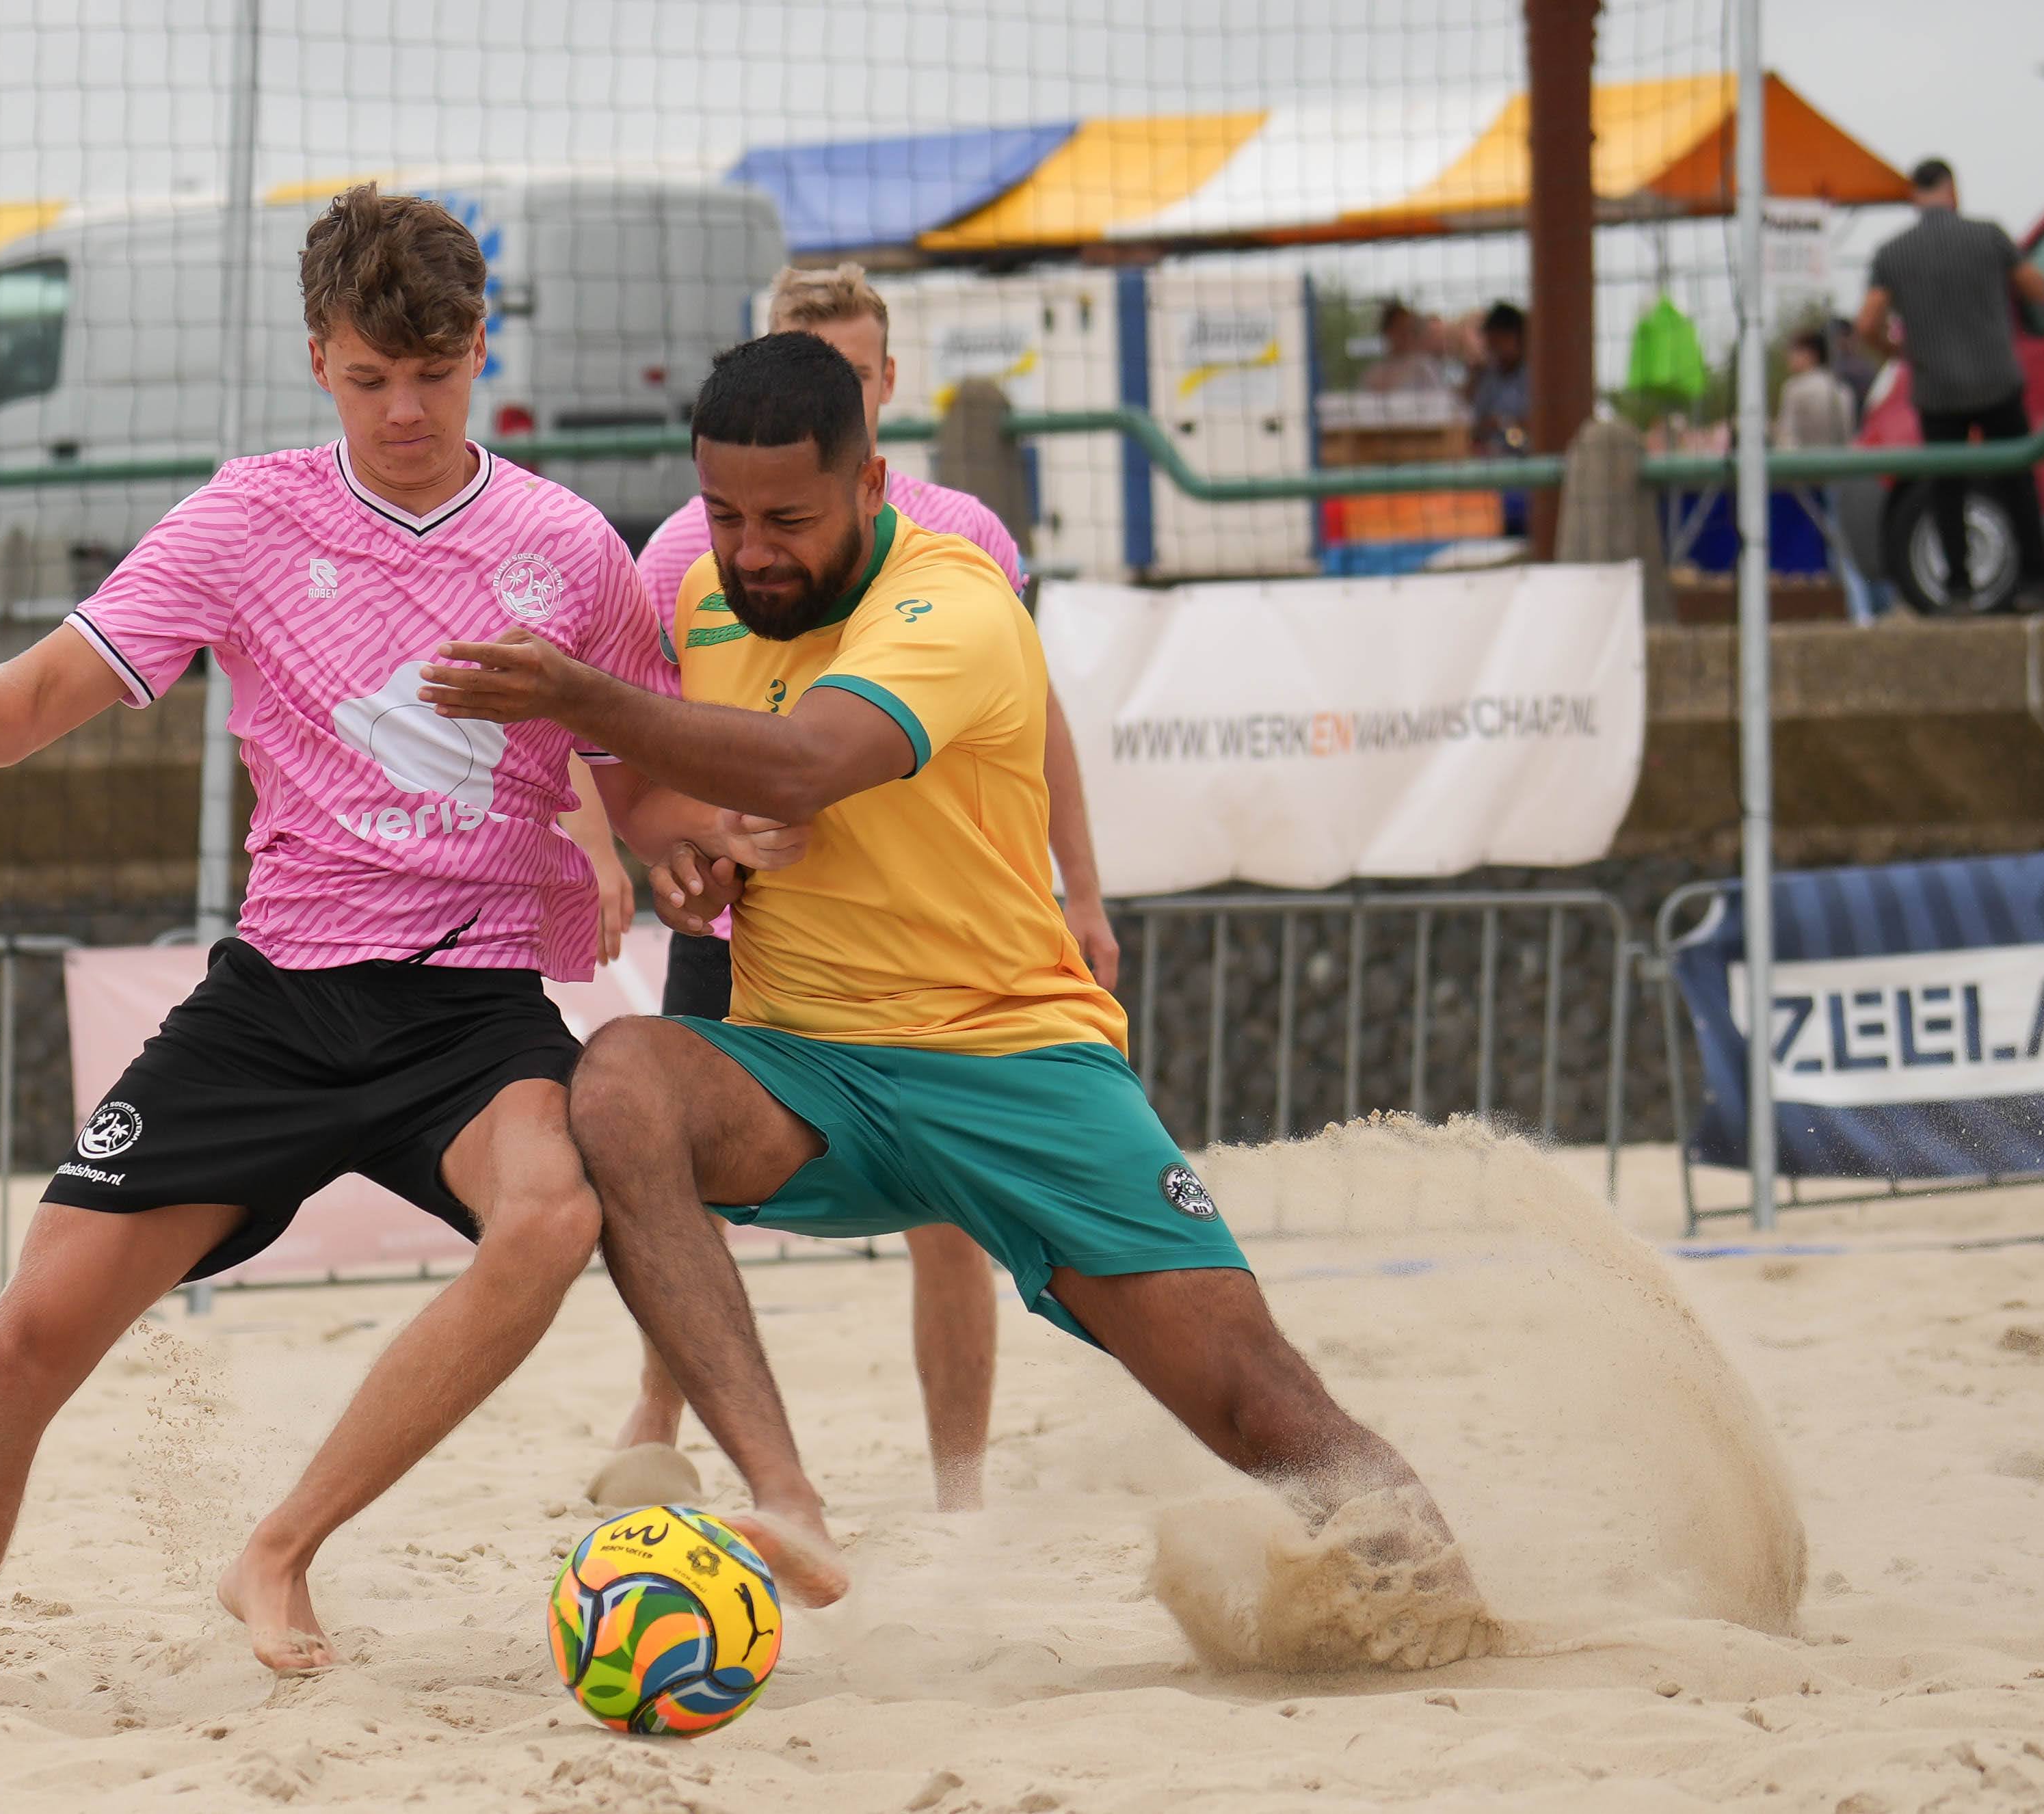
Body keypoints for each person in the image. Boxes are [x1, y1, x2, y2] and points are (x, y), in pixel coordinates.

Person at [417, 334, 1489, 1666]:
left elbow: (803, 760)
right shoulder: (699, 599)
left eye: (787, 520)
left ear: (868, 485)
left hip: (1014, 1067)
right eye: (724, 514)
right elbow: (715, 787)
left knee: (1254, 1403)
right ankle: (786, 1499)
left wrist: (587, 702)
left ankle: (1451, 1615)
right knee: (623, 1075)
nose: (749, 552)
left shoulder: (955, 598)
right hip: (812, 1076)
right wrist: (693, 845)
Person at [0, 186, 765, 1685]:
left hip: (470, 1010)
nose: (403, 410)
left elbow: (643, 789)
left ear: (480, 346)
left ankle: (276, 1547)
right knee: (18, 1346)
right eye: (368, 378)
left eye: (433, 373)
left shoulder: (566, 548)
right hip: (276, 1001)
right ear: (315, 360)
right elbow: (19, 714)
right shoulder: (245, 516)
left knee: (552, 1213)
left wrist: (696, 847)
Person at [620, 263, 1122, 1515]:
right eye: (802, 358)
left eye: (848, 370)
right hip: (754, 915)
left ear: (883, 385)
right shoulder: (688, 548)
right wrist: (688, 844)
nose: (825, 383)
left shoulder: (961, 537)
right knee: (664, 1159)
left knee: (947, 1212)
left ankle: (958, 1484)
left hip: (929, 938)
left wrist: (1082, 887)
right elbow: (648, 760)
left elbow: (1035, 712)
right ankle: (659, 1415)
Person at [1857, 157, 2044, 609]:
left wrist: (1897, 352)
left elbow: (1867, 322)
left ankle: (1959, 587)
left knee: (1946, 486)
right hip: (1998, 381)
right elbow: (2036, 289)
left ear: (1914, 198)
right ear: (1953, 191)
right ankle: (2036, 580)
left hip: (1936, 389)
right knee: (2018, 477)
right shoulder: (1989, 236)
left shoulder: (1893, 253)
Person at [1777, 327, 1876, 624]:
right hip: (1841, 473)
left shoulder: (1795, 389)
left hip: (1812, 477)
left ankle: (1858, 609)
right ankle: (1862, 608)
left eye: (1795, 352)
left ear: (1810, 354)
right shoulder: (1840, 389)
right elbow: (1850, 436)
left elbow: (1787, 441)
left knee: (1837, 546)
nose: (1789, 358)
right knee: (1845, 543)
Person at [1462, 302, 1529, 457]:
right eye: (1490, 343)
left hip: (1524, 460)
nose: (1492, 349)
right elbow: (1475, 425)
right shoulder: (1488, 377)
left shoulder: (1534, 377)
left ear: (1515, 338)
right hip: (1488, 462)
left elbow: (1529, 431)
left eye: (1497, 342)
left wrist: (1503, 424)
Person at [1359, 299, 1449, 395]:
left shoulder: (1424, 368)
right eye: (1398, 329)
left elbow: (1439, 399)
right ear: (1387, 331)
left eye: (1407, 329)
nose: (1404, 335)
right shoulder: (1375, 373)